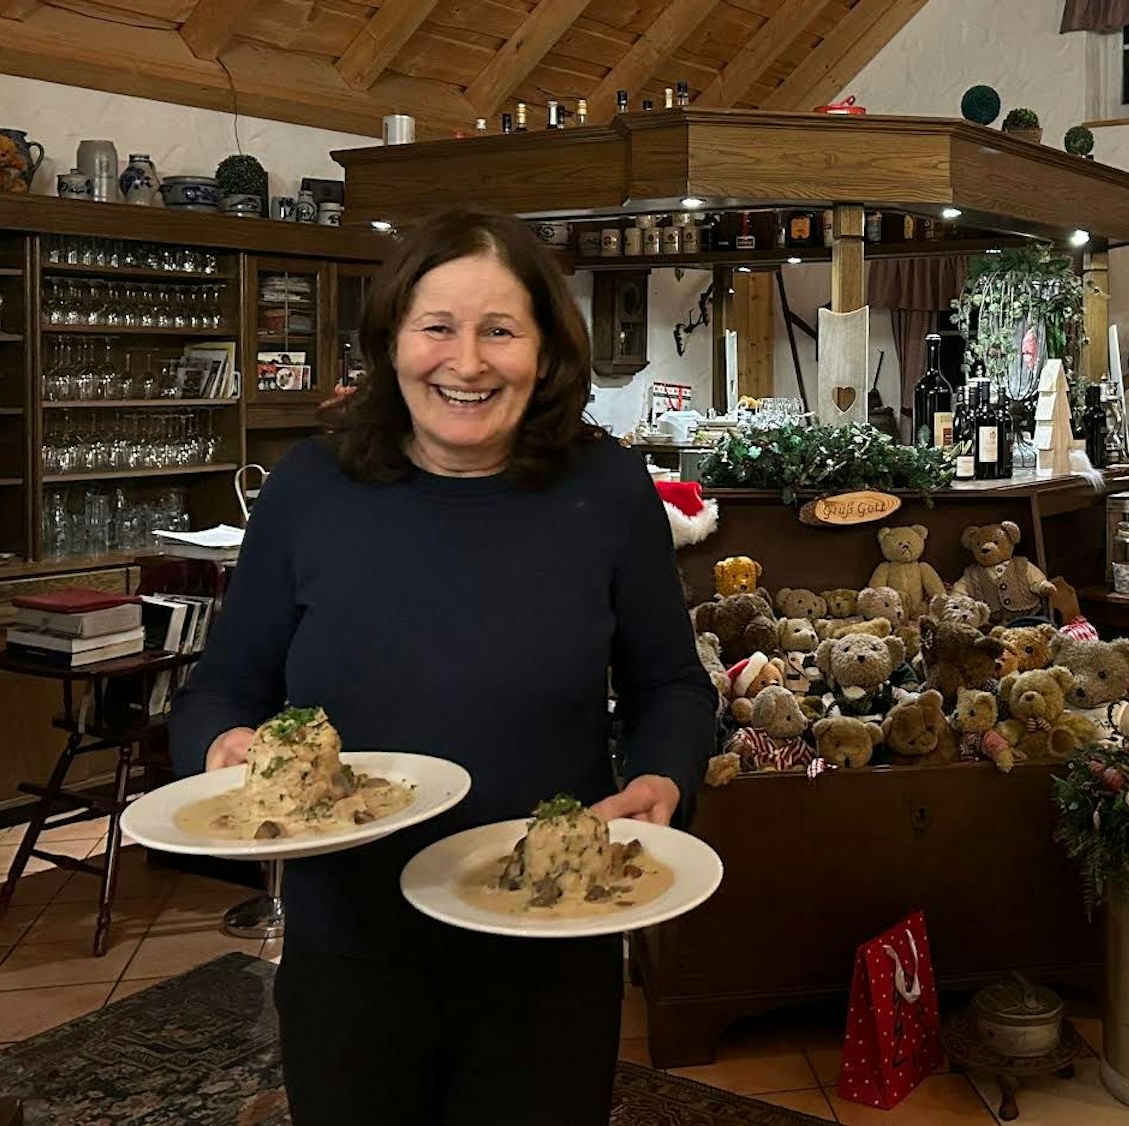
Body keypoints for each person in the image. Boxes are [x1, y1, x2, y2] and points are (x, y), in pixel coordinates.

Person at [168, 207, 718, 1125]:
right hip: (350, 949)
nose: (466, 362)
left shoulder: (608, 489)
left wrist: (664, 778)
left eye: (500, 330)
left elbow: (671, 685)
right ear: (390, 343)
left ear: (544, 352)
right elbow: (222, 687)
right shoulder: (310, 488)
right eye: (437, 328)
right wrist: (226, 752)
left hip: (548, 940)